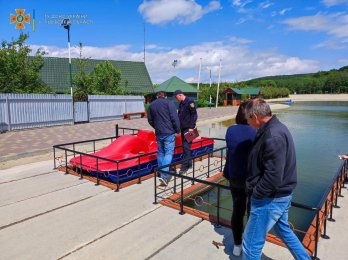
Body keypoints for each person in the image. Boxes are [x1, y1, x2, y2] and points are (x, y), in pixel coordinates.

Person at [242, 98, 310, 260]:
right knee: (283, 231)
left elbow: (273, 176)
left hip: (270, 199)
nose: (247, 121)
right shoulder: (273, 128)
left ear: (256, 116)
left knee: (251, 243)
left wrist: (257, 193)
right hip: (280, 196)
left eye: (248, 118)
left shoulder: (273, 135)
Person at [223, 100, 256, 256]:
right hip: (253, 178)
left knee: (237, 210)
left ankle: (237, 245)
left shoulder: (230, 130)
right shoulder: (257, 131)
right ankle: (250, 244)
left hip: (235, 177)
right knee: (252, 211)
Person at [147, 91, 180, 186]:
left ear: (157, 96)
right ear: (165, 97)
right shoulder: (169, 103)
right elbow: (174, 118)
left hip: (159, 133)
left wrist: (156, 127)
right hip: (169, 133)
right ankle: (164, 176)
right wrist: (177, 130)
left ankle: (161, 173)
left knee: (161, 153)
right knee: (168, 153)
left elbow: (150, 120)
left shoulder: (152, 105)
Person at [174, 90, 198, 174]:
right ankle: (189, 164)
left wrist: (192, 127)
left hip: (189, 129)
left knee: (186, 147)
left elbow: (194, 114)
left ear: (180, 95)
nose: (176, 100)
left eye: (177, 98)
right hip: (183, 128)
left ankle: (184, 167)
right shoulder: (181, 103)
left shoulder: (190, 102)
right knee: (186, 147)